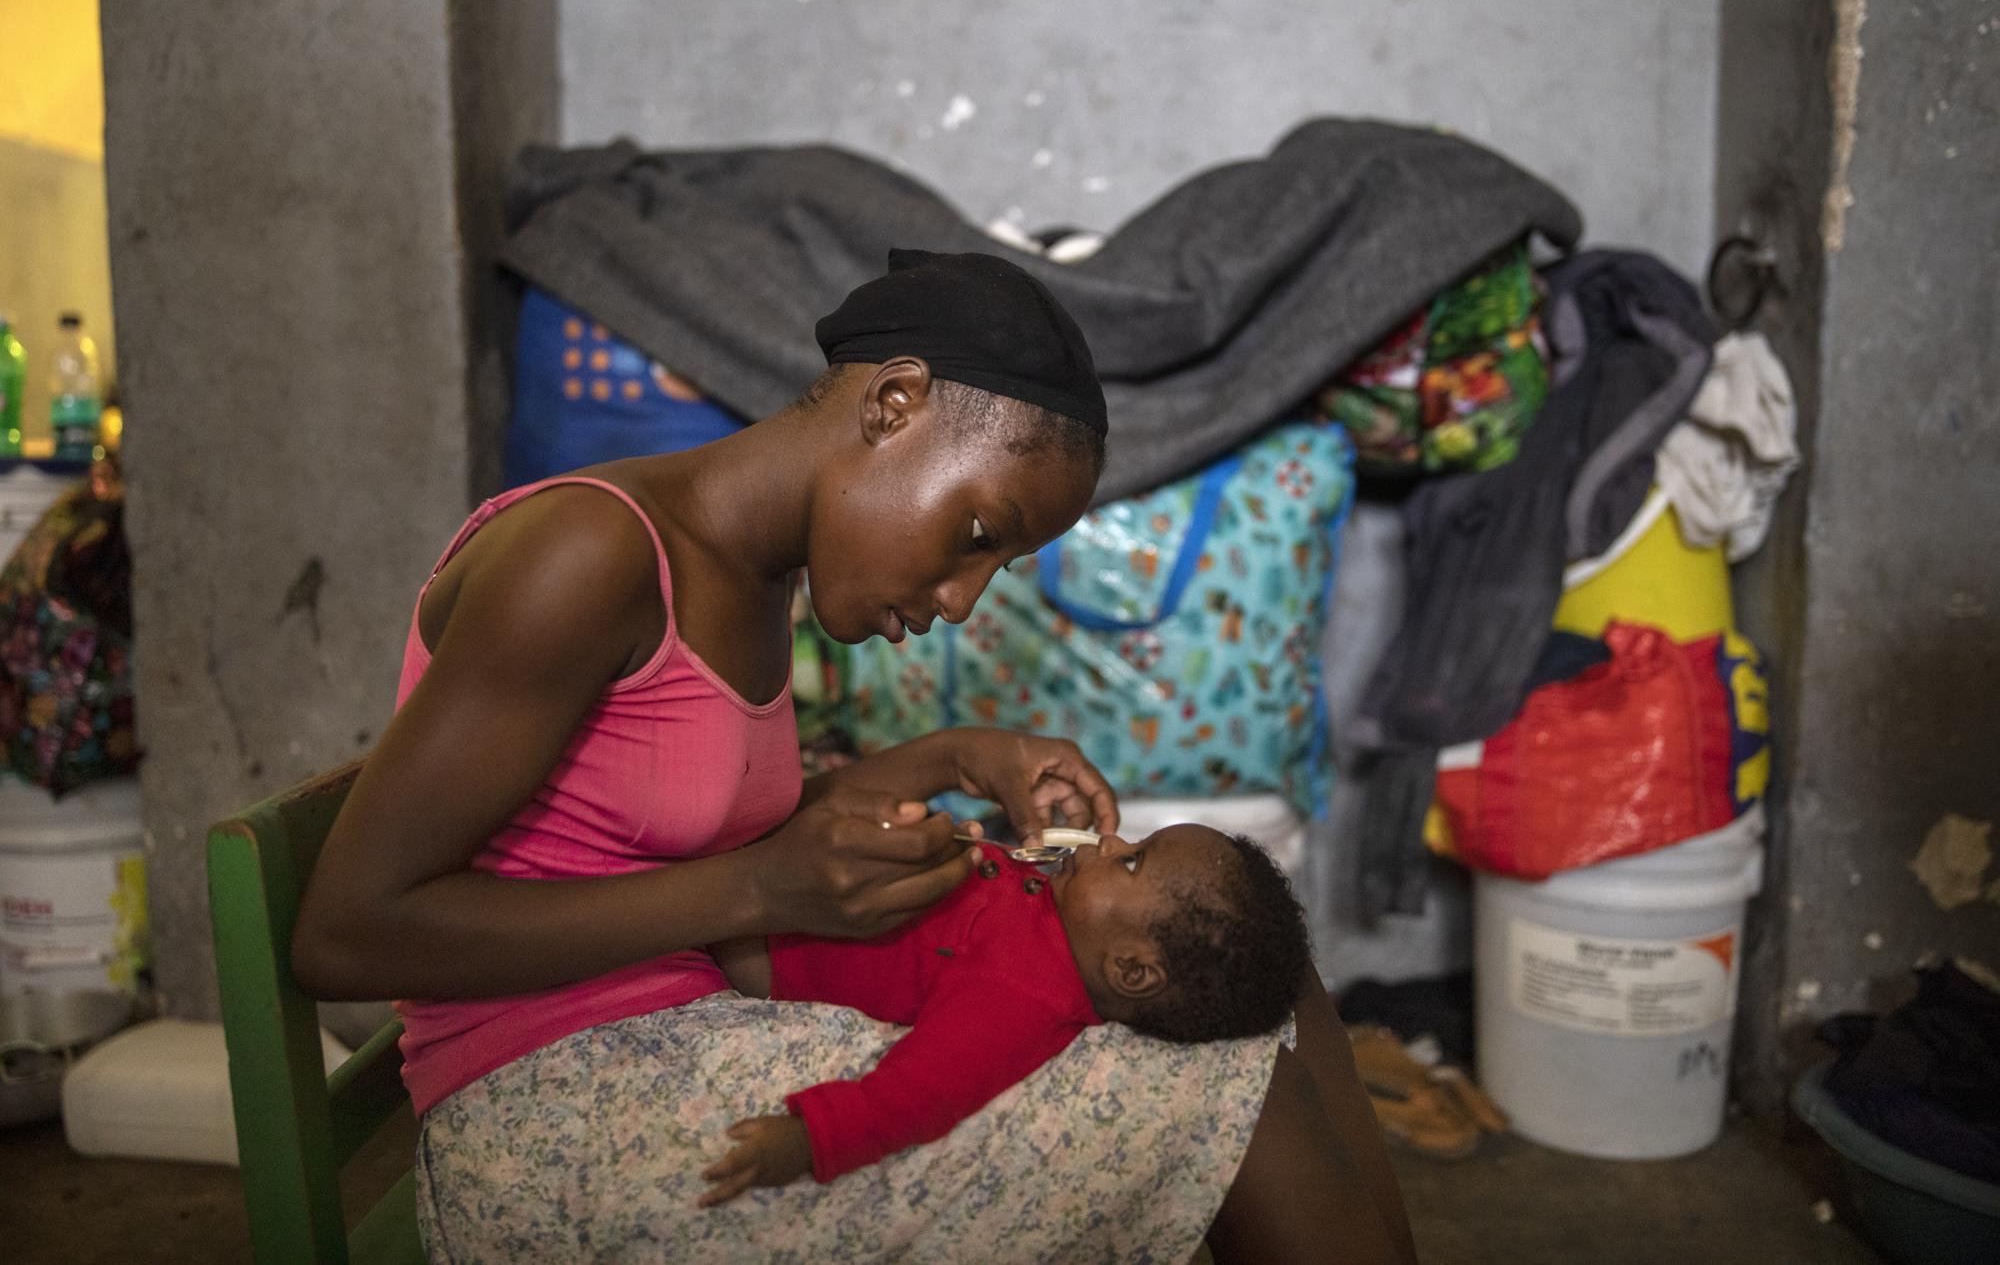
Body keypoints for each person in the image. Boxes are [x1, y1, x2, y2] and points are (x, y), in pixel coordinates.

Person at [293, 249, 1415, 1262]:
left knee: (1264, 982)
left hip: (702, 1027)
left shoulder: (756, 573)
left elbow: (670, 823)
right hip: (550, 1108)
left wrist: (964, 756)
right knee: (1229, 1097)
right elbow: (347, 933)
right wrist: (746, 888)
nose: (962, 597)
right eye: (977, 534)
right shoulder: (586, 556)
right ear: (893, 404)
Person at [699, 825, 1309, 1204]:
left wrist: (808, 1140)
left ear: (1130, 970)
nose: (1109, 841)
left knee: (701, 866)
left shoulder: (1022, 997)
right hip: (820, 897)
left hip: (783, 950)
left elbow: (918, 1095)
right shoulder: (1057, 923)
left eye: (1131, 861)